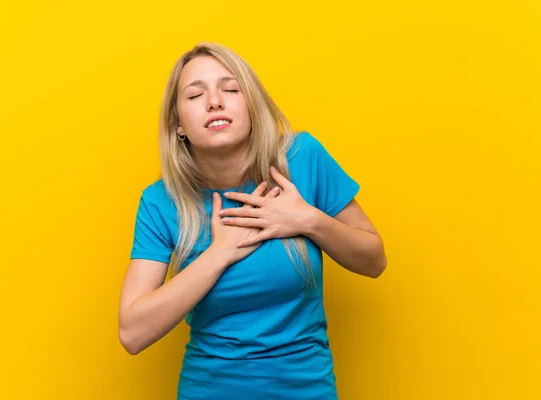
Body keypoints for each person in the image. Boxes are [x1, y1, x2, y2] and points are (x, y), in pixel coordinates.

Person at [118, 41, 387, 400]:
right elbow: (133, 333)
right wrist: (220, 253)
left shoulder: (303, 159)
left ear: (252, 106)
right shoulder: (161, 202)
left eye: (230, 88)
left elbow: (375, 260)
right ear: (178, 125)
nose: (215, 101)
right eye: (196, 95)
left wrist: (308, 220)